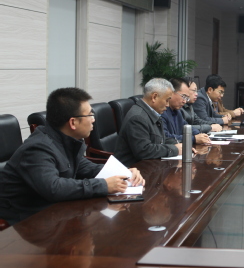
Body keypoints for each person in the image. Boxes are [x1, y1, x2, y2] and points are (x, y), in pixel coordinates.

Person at [0, 87, 144, 225]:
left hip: (55, 212)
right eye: (90, 115)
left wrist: (124, 172)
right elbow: (54, 188)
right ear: (73, 122)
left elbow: (85, 166)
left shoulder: (66, 140)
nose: (93, 119)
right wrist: (103, 185)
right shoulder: (37, 148)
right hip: (27, 220)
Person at [115, 78, 182, 167]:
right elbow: (144, 151)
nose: (167, 105)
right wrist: (174, 149)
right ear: (154, 97)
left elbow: (160, 139)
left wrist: (178, 145)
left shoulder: (152, 112)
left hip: (149, 166)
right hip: (132, 169)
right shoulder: (138, 117)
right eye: (167, 100)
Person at [161, 78, 212, 145]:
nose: (185, 101)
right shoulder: (161, 111)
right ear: (171, 93)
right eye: (183, 96)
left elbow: (186, 127)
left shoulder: (177, 111)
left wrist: (199, 135)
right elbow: (166, 137)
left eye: (186, 98)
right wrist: (194, 138)